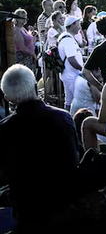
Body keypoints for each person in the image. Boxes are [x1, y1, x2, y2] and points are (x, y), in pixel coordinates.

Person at [0, 65, 79, 229]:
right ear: (36, 85)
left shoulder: (4, 129)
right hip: (65, 205)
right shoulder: (63, 117)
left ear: (8, 98)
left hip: (27, 211)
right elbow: (73, 162)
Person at [58, 15, 84, 111]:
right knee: (78, 100)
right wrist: (83, 69)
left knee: (68, 100)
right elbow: (72, 60)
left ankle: (68, 118)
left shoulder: (67, 37)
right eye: (78, 24)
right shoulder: (67, 40)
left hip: (68, 74)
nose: (79, 27)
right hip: (71, 75)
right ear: (72, 25)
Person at [12, 9, 37, 74]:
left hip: (28, 58)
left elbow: (30, 43)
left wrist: (33, 36)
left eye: (25, 16)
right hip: (22, 58)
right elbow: (21, 47)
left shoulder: (23, 29)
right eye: (22, 17)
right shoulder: (16, 30)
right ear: (16, 18)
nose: (24, 18)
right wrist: (33, 54)